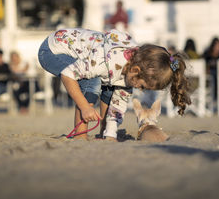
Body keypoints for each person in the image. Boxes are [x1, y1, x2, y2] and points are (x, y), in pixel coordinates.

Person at [38, 28, 190, 140]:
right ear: (136, 70)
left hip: (88, 56)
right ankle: (80, 134)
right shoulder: (105, 61)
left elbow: (118, 104)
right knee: (92, 81)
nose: (139, 89)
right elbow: (68, 74)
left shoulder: (133, 70)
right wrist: (85, 107)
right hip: (53, 49)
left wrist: (110, 135)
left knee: (111, 90)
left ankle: (103, 132)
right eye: (142, 86)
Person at [203, 37, 219, 104]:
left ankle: (216, 98)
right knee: (214, 75)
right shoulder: (207, 54)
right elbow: (205, 65)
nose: (218, 47)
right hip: (208, 76)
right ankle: (215, 98)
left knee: (217, 76)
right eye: (217, 45)